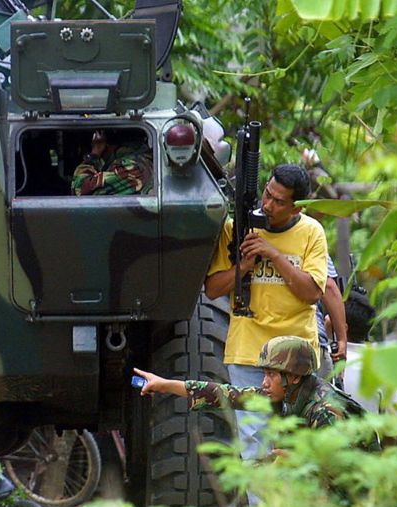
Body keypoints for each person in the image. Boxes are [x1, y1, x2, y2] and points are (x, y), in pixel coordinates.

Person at [204, 164, 328, 463]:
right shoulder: (236, 229)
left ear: (296, 207)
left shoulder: (312, 232)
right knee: (254, 445)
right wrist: (243, 267)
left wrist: (272, 253)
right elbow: (212, 288)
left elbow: (312, 291)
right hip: (248, 354)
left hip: (295, 357)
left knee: (296, 444)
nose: (268, 205)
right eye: (267, 194)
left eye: (278, 201)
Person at [133, 336, 371, 432]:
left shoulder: (326, 412)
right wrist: (164, 385)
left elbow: (345, 473)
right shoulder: (286, 393)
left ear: (295, 377)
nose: (264, 383)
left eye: (272, 375)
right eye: (264, 373)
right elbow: (224, 394)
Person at [72, 129, 153, 196]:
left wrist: (94, 155)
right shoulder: (145, 159)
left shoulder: (130, 167)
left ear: (106, 147)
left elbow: (79, 190)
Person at [317, 255, 347, 384]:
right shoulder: (311, 235)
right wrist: (342, 339)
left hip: (254, 343)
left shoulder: (250, 237)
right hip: (308, 340)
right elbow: (328, 286)